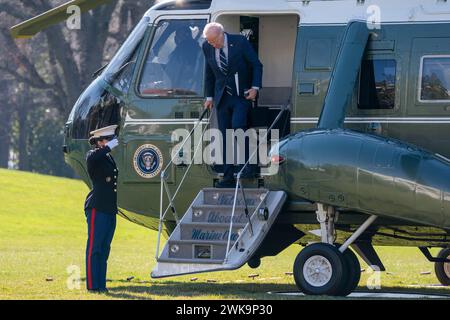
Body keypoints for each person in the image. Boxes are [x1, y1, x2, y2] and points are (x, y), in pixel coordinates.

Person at [202, 22, 263, 188]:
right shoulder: (207, 46)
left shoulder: (239, 42)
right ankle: (227, 177)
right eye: (209, 41)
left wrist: (255, 88)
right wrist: (209, 96)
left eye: (213, 40)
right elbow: (209, 73)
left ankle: (248, 167)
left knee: (238, 128)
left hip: (240, 95)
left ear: (222, 34)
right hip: (222, 98)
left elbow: (256, 65)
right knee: (225, 135)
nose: (211, 44)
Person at [84, 125, 120, 293]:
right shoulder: (93, 155)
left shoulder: (108, 158)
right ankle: (92, 286)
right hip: (97, 207)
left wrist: (107, 149)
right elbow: (93, 159)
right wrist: (107, 148)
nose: (112, 142)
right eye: (108, 139)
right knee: (94, 247)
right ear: (99, 142)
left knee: (105, 248)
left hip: (109, 208)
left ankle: (101, 285)